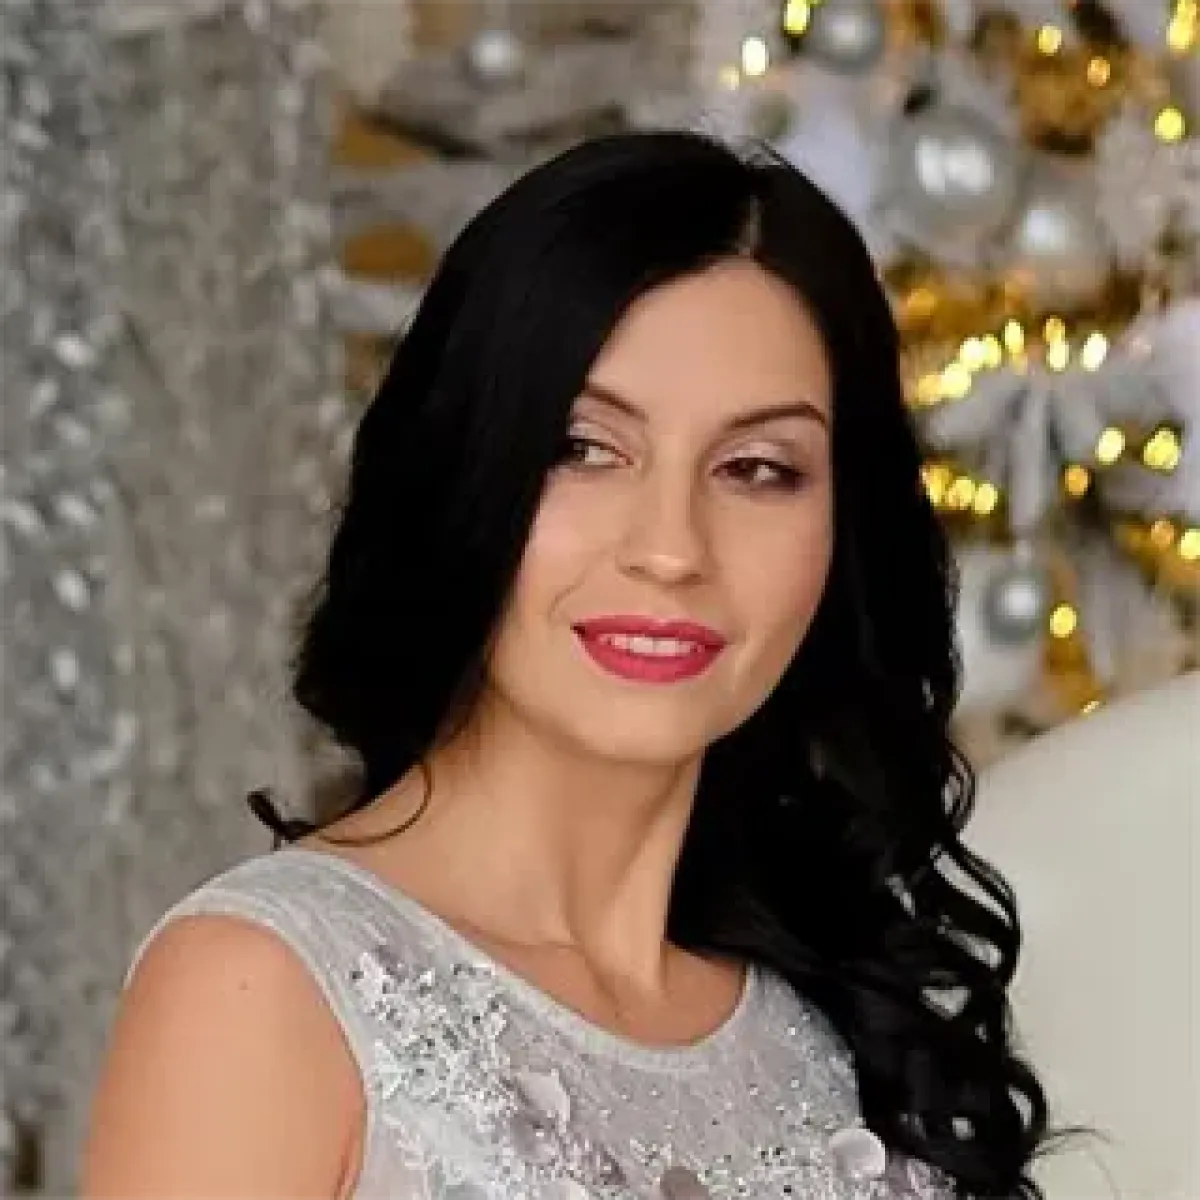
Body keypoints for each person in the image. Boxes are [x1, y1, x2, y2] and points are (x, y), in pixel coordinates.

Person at [82, 131, 1047, 1199]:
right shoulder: (265, 988)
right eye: (583, 449)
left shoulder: (847, 1027)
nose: (670, 549)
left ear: (840, 535)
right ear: (466, 469)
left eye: (757, 468)